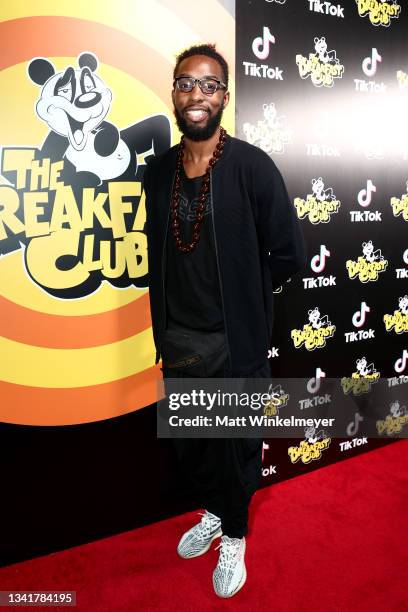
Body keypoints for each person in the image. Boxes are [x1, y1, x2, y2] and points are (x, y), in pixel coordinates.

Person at [143, 43, 306, 598]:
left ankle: (234, 532)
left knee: (236, 445)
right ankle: (214, 512)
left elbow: (287, 252)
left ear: (225, 97)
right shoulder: (158, 171)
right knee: (196, 442)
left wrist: (250, 298)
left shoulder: (254, 167)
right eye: (187, 83)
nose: (197, 95)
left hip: (233, 343)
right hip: (179, 337)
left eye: (210, 85)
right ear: (174, 92)